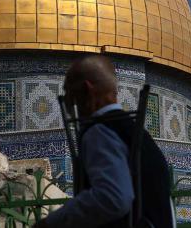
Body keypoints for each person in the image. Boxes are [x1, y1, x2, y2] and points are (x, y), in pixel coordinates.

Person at [35, 55, 174, 228]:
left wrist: (51, 223)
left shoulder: (99, 131)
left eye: (71, 96)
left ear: (86, 90)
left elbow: (113, 197)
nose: (71, 106)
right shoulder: (140, 137)